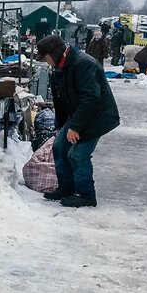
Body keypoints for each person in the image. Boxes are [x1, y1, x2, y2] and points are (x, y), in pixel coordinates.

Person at [36, 35, 120, 208]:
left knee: (78, 154)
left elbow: (90, 98)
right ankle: (66, 188)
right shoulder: (59, 67)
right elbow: (61, 101)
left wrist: (74, 126)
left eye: (45, 57)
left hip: (97, 115)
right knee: (59, 147)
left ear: (54, 53)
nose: (45, 62)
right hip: (78, 114)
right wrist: (63, 127)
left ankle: (86, 194)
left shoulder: (83, 64)